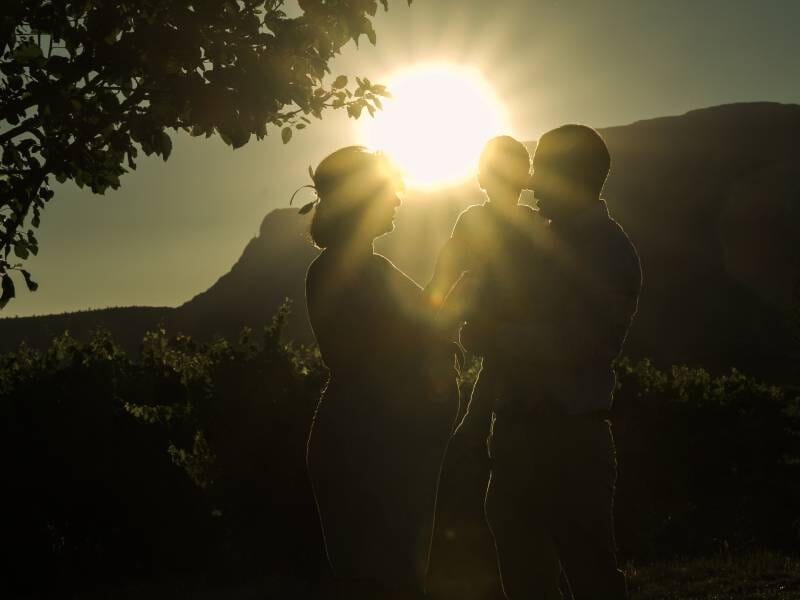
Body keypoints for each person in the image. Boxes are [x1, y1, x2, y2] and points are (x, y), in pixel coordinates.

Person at [483, 125, 642, 600]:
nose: (532, 187)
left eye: (542, 175)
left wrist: (495, 334)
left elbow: (579, 343)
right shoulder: (538, 242)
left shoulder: (610, 252)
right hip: (517, 432)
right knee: (525, 576)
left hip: (569, 437)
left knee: (590, 573)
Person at [303, 146, 459, 599]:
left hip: (381, 437)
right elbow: (367, 350)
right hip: (367, 440)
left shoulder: (364, 268)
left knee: (387, 575)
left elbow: (421, 328)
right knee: (384, 576)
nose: (398, 198)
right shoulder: (345, 270)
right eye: (389, 190)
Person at [425, 136, 550, 440]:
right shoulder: (535, 223)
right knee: (485, 434)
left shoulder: (489, 220)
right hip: (510, 344)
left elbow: (441, 281)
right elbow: (442, 280)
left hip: (513, 344)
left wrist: (428, 332)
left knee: (479, 434)